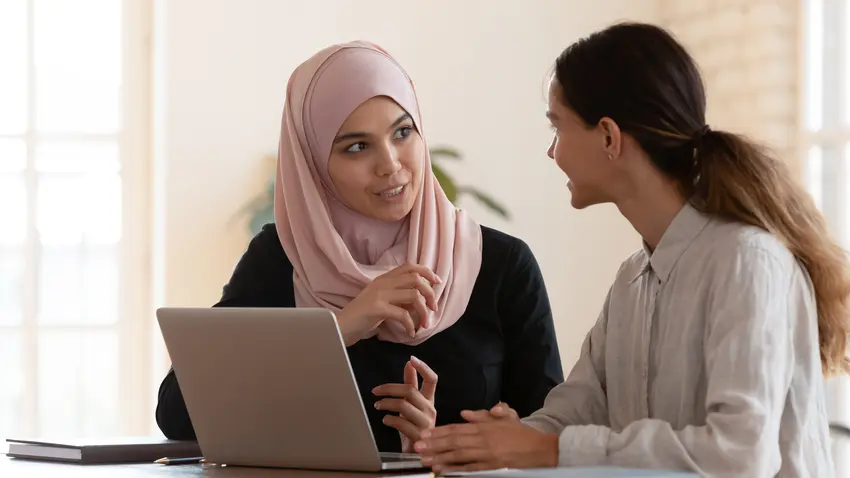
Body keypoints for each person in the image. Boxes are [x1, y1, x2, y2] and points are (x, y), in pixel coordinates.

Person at [414, 22, 849, 476]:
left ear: (608, 136)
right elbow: (573, 414)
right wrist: (512, 435)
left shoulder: (746, 261)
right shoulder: (631, 280)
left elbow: (738, 453)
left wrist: (549, 449)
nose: (552, 152)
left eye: (558, 127)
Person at [154, 41, 563, 453]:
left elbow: (548, 437)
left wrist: (444, 445)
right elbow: (178, 414)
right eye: (356, 147)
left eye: (403, 132)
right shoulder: (283, 259)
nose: (390, 164)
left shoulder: (500, 265)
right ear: (313, 164)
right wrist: (340, 328)